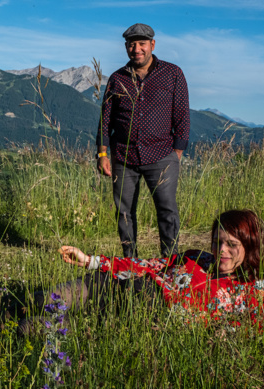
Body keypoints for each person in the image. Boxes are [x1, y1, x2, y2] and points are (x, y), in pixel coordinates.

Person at [47, 210, 264, 326]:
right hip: (117, 285)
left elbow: (250, 328)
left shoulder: (255, 289)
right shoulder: (197, 257)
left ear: (250, 245)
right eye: (217, 242)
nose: (221, 250)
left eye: (232, 244)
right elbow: (148, 265)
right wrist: (91, 261)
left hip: (140, 314)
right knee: (46, 299)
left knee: (46, 326)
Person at [97, 23, 190, 258]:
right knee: (124, 212)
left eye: (141, 44)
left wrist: (177, 153)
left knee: (167, 210)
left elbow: (182, 116)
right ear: (126, 47)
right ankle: (130, 262)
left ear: (152, 45)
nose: (136, 49)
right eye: (131, 44)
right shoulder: (117, 78)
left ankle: (170, 262)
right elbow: (105, 119)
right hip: (123, 156)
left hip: (162, 155)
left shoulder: (173, 73)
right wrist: (102, 153)